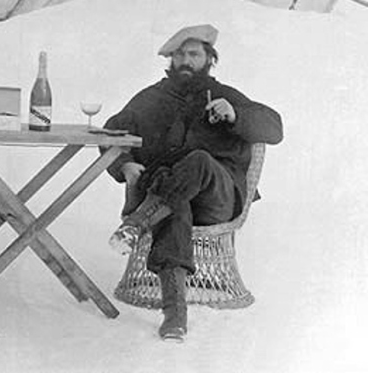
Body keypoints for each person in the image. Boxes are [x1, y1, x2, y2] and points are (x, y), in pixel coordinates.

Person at [103, 24, 283, 342]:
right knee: (176, 206)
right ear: (171, 60)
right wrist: (125, 164)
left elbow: (274, 128)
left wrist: (235, 115)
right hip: (170, 194)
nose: (186, 60)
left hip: (218, 196)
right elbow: (110, 132)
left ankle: (136, 224)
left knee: (198, 160)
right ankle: (175, 316)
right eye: (180, 54)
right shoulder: (150, 99)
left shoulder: (227, 96)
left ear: (209, 59)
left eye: (194, 54)